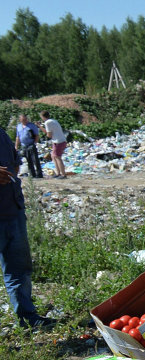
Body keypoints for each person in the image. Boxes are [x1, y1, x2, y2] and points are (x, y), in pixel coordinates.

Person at [0, 127, 53, 329]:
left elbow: (14, 163)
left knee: (19, 270)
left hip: (12, 212)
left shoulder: (2, 134)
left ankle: (27, 318)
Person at [39, 111, 67, 179]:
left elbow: (49, 135)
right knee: (53, 157)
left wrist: (40, 127)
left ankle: (63, 174)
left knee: (57, 157)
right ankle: (58, 173)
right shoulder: (53, 120)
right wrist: (40, 126)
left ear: (42, 116)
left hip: (58, 142)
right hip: (61, 140)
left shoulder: (47, 122)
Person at [14, 115, 42, 179]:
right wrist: (16, 146)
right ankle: (32, 174)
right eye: (23, 119)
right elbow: (18, 137)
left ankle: (39, 174)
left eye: (25, 119)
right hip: (24, 145)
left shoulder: (31, 126)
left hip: (31, 144)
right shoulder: (19, 126)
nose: (25, 120)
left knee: (35, 160)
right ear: (20, 120)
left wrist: (34, 143)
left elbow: (37, 135)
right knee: (28, 160)